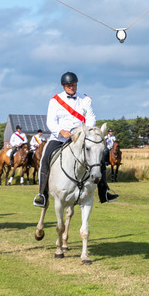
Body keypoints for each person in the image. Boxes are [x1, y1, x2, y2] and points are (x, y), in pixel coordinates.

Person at [33, 72, 117, 207]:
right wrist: (61, 131)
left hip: (80, 138)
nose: (71, 87)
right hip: (60, 138)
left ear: (76, 84)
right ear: (64, 86)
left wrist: (86, 131)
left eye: (73, 85)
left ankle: (104, 191)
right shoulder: (55, 101)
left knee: (99, 157)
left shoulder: (85, 99)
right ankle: (42, 194)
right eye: (68, 85)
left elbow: (91, 118)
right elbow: (50, 121)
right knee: (46, 158)